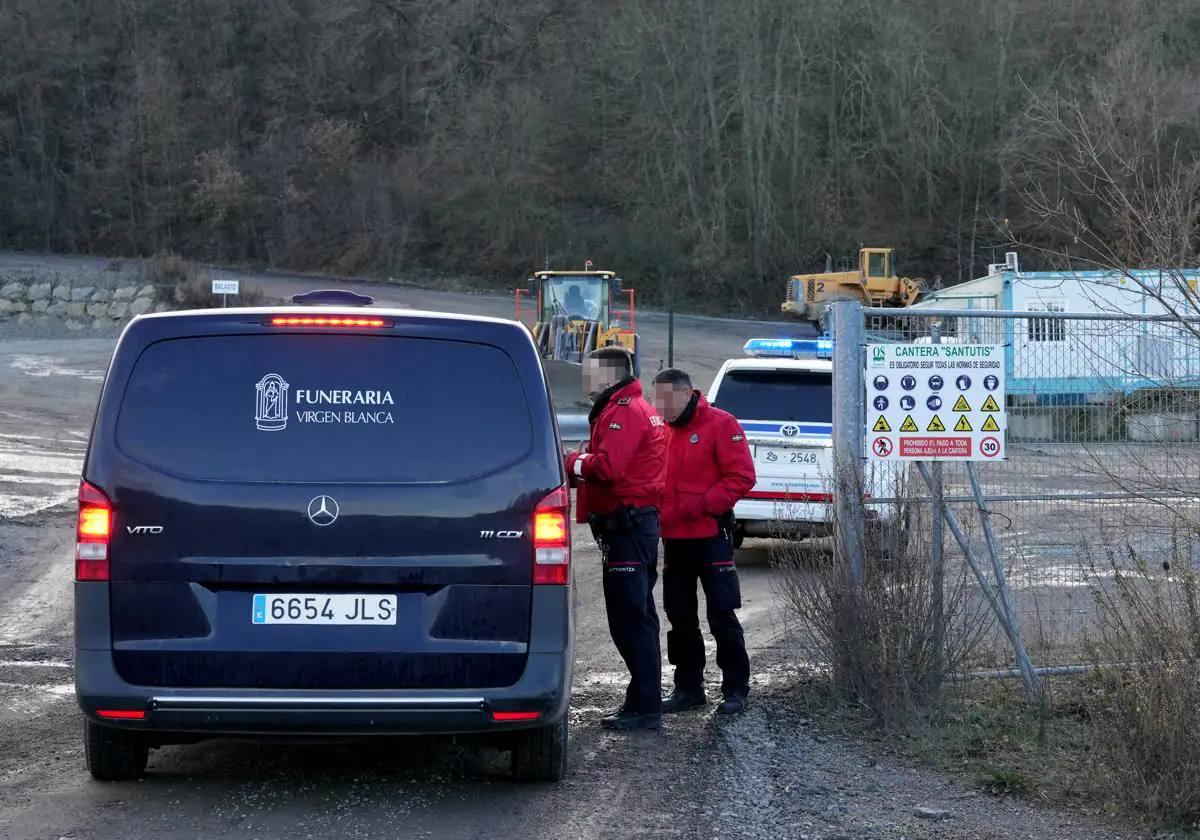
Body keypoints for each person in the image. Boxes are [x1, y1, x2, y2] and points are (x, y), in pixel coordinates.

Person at [566, 347, 667, 730]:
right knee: (636, 616)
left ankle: (645, 709)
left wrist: (572, 462)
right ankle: (642, 701)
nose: (584, 380)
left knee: (631, 618)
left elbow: (608, 468)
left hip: (628, 525)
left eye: (589, 373)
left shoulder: (624, 411)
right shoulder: (627, 407)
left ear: (609, 375)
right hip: (631, 525)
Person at [652, 368, 756, 715]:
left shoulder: (721, 424)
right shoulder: (662, 430)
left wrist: (700, 506)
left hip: (710, 536)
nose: (660, 407)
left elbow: (741, 476)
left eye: (666, 400)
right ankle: (688, 687)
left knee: (721, 614)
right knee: (679, 616)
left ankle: (736, 689)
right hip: (674, 539)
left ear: (686, 394)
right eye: (657, 400)